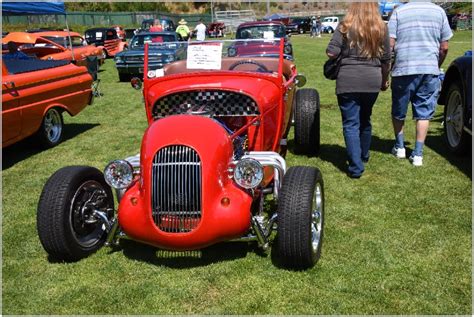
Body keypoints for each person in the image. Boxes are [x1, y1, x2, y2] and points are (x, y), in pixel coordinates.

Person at [326, 2, 391, 178]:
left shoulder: (344, 26)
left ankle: (356, 167)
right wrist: (384, 81)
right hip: (372, 80)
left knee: (350, 123)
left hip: (348, 80)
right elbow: (386, 59)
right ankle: (363, 155)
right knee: (365, 118)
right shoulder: (381, 28)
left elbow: (331, 52)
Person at [388, 0, 452, 166]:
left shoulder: (399, 12)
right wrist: (436, 65)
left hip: (403, 68)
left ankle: (400, 146)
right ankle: (417, 153)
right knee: (424, 112)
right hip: (429, 68)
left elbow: (390, 44)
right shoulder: (439, 12)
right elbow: (444, 47)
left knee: (398, 110)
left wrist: (387, 67)